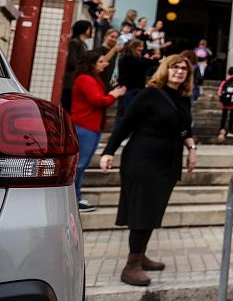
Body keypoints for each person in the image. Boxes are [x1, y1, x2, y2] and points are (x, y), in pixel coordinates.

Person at [99, 55, 198, 287]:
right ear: (166, 69)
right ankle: (131, 265)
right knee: (143, 210)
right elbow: (125, 123)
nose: (180, 71)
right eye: (175, 67)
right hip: (143, 159)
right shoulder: (149, 94)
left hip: (168, 162)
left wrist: (192, 150)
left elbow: (185, 129)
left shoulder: (183, 98)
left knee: (153, 210)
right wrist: (108, 152)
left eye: (184, 68)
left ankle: (140, 255)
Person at [71, 51, 127, 212]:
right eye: (101, 61)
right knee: (79, 164)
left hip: (91, 125)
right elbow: (97, 100)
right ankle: (74, 199)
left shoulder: (91, 78)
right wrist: (114, 95)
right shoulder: (85, 79)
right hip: (85, 125)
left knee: (82, 164)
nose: (106, 63)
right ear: (91, 63)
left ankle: (76, 197)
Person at [116, 40, 159, 118]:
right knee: (128, 114)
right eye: (139, 47)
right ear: (133, 48)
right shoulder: (128, 58)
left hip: (131, 89)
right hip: (130, 89)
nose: (141, 49)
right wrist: (154, 59)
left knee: (124, 114)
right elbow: (144, 64)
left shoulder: (129, 58)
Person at [63, 20, 93, 112]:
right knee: (67, 107)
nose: (92, 31)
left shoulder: (82, 43)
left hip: (75, 79)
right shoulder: (75, 42)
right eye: (90, 28)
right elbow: (72, 61)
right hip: (70, 81)